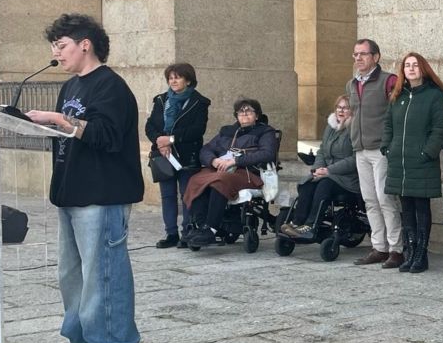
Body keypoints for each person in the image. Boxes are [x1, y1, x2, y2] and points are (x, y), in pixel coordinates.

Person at [24, 14, 143, 343]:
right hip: (71, 192)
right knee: (72, 275)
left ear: (85, 44)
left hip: (102, 194)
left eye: (61, 46)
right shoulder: (70, 87)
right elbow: (68, 134)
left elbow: (107, 136)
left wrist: (60, 120)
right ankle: (84, 342)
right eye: (54, 47)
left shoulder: (111, 86)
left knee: (103, 273)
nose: (56, 54)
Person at [382, 52, 443, 273]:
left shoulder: (434, 96)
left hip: (422, 162)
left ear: (423, 69)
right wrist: (387, 148)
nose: (411, 69)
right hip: (399, 163)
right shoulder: (397, 96)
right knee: (407, 208)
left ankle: (421, 255)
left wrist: (427, 153)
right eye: (407, 65)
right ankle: (410, 252)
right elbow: (388, 125)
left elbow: (440, 129)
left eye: (415, 65)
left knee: (421, 207)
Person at [182, 98, 279, 247]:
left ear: (257, 115)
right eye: (241, 112)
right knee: (196, 179)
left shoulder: (266, 132)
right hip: (221, 170)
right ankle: (200, 225)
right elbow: (206, 149)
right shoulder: (227, 131)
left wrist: (236, 161)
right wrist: (213, 161)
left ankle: (211, 228)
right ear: (236, 115)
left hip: (248, 172)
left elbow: (267, 154)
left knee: (220, 180)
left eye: (249, 111)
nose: (244, 114)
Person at [347, 39, 403, 267]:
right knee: (369, 200)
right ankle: (379, 247)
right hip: (360, 149)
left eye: (363, 54)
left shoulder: (388, 81)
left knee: (385, 199)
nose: (358, 58)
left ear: (376, 57)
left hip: (381, 149)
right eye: (355, 54)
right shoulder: (352, 84)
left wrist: (391, 144)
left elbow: (398, 113)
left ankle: (396, 249)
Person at [144, 63, 210, 248]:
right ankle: (171, 233)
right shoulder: (161, 100)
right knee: (167, 195)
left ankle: (187, 233)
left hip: (187, 155)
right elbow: (150, 126)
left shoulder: (199, 102)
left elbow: (197, 130)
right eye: (170, 78)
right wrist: (160, 140)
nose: (173, 81)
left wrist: (170, 140)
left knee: (187, 195)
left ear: (188, 80)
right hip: (162, 155)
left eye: (177, 77)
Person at [281, 94, 359, 239]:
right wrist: (317, 169)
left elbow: (354, 159)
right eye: (338, 107)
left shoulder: (355, 129)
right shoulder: (331, 127)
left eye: (346, 108)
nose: (341, 111)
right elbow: (322, 151)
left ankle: (311, 226)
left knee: (324, 185)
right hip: (326, 173)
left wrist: (329, 170)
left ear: (353, 110)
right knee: (307, 183)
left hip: (347, 178)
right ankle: (297, 222)